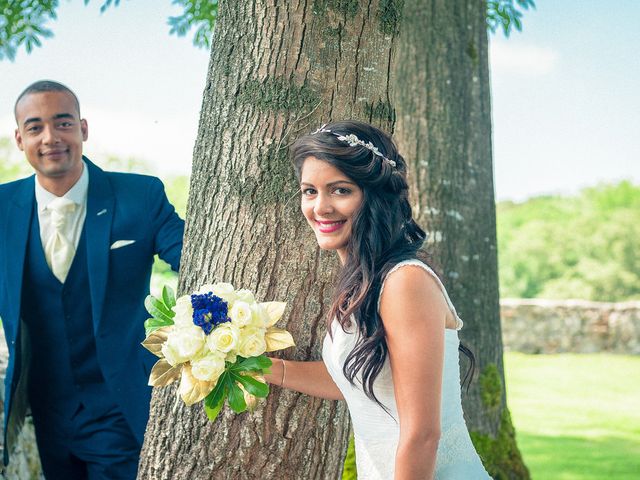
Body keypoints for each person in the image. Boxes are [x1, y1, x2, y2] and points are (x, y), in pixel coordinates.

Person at [264, 121, 491, 479]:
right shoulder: (364, 283)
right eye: (309, 191)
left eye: (340, 190)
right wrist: (264, 370)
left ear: (374, 195)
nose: (320, 207)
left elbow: (422, 434)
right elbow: (363, 379)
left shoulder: (405, 282)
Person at [0, 80, 184, 479]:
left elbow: (200, 260)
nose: (50, 138)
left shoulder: (140, 195)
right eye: (35, 127)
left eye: (62, 123)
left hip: (119, 407)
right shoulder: (2, 207)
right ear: (19, 138)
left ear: (83, 129)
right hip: (46, 411)